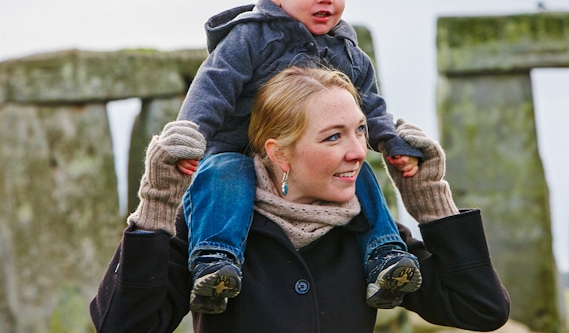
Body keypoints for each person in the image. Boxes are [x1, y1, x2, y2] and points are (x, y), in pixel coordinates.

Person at [90, 66, 511, 332]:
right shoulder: (213, 230)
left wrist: (432, 204)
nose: (359, 152)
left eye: (360, 130)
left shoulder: (370, 232)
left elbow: (481, 309)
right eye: (334, 136)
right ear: (278, 153)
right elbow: (123, 325)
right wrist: (157, 209)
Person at [173, 0, 424, 313]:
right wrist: (190, 137)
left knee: (359, 171)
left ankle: (386, 254)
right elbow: (213, 87)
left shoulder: (348, 52)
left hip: (307, 156)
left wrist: (391, 142)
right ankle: (215, 261)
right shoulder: (250, 38)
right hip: (238, 147)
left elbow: (371, 105)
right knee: (223, 174)